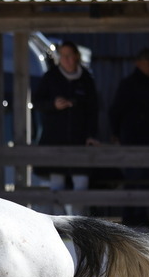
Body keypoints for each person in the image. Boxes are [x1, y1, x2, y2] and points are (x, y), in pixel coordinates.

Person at [31, 41, 99, 214]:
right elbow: (37, 103)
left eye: (70, 56)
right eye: (63, 56)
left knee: (81, 185)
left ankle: (78, 226)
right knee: (56, 186)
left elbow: (94, 110)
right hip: (55, 139)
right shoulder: (51, 77)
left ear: (76, 56)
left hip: (79, 140)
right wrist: (53, 104)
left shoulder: (86, 79)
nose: (67, 60)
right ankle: (60, 227)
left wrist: (92, 135)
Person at [109, 47, 149, 227]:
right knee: (134, 179)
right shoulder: (129, 85)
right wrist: (115, 133)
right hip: (133, 141)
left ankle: (141, 215)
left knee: (146, 180)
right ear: (139, 63)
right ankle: (131, 217)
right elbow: (116, 110)